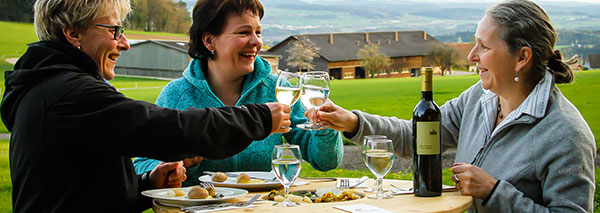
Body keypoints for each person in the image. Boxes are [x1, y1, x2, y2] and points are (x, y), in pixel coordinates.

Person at [0, 0, 292, 212]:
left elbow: (80, 190)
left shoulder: (54, 87)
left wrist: (146, 183)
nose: (124, 42)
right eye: (114, 30)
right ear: (74, 33)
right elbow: (166, 129)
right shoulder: (69, 93)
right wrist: (259, 117)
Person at [315, 0, 595, 212]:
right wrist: (352, 122)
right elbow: (419, 137)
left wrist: (495, 192)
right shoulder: (479, 98)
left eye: (483, 47)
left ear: (521, 57)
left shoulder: (565, 134)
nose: (472, 56)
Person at [133, 0, 343, 186]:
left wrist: (325, 126)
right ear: (209, 41)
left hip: (261, 208)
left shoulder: (277, 90)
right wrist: (172, 166)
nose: (256, 42)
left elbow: (325, 161)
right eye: (243, 33)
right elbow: (142, 164)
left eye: (258, 32)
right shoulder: (177, 94)